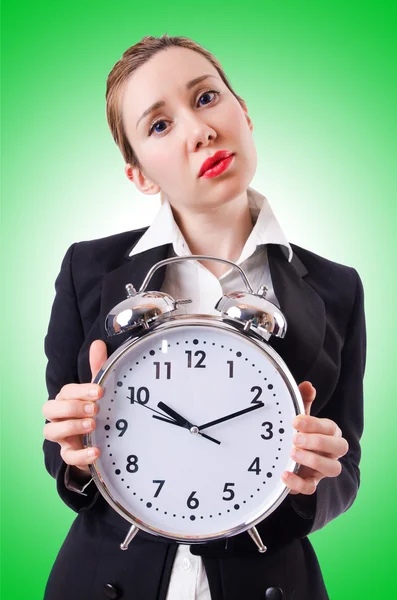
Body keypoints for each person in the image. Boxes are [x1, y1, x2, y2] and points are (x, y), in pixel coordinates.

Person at [42, 34, 366, 600]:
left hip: (268, 583)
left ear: (244, 111)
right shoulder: (87, 271)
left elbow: (348, 468)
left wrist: (315, 483)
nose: (199, 131)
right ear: (139, 173)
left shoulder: (338, 288)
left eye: (207, 98)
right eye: (159, 125)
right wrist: (72, 454)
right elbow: (60, 452)